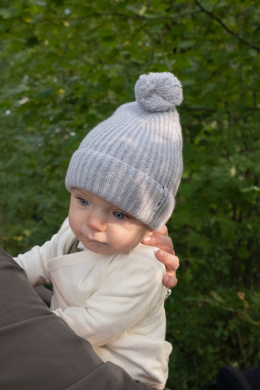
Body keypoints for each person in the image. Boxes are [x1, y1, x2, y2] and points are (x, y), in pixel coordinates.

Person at [14, 71, 183, 390]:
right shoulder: (75, 232)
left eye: (119, 213)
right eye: (83, 200)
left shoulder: (142, 266)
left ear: (150, 224)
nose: (94, 222)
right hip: (77, 351)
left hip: (122, 373)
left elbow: (92, 325)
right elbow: (38, 261)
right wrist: (11, 273)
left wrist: (25, 328)